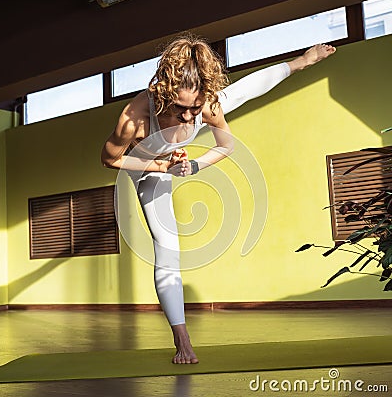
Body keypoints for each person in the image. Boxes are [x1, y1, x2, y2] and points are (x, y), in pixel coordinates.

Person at [101, 33, 336, 364]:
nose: (188, 118)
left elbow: (226, 145)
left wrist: (193, 165)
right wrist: (161, 166)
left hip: (175, 160)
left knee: (239, 93)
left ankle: (302, 60)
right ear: (166, 92)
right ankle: (182, 340)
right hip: (148, 166)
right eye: (181, 109)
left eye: (194, 109)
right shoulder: (134, 117)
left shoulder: (207, 104)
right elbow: (110, 160)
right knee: (167, 247)